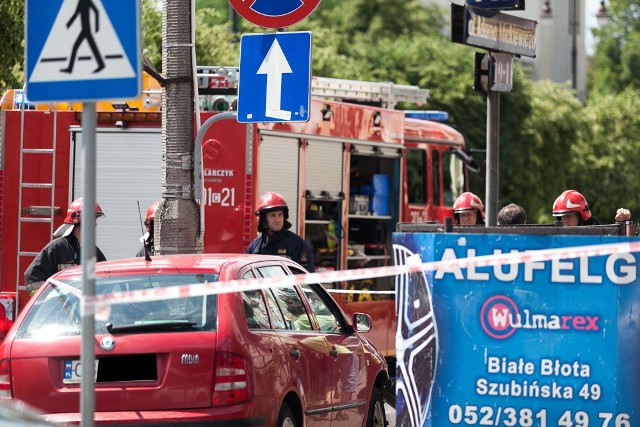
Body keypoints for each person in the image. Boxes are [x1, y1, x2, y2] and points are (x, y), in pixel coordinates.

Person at [24, 198, 107, 296]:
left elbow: (105, 279)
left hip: (84, 308)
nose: (95, 224)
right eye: (92, 219)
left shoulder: (93, 251)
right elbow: (32, 278)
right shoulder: (56, 248)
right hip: (60, 310)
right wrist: (50, 300)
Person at [247, 192, 315, 272]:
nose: (278, 219)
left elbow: (306, 277)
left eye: (280, 214)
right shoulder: (254, 247)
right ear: (263, 219)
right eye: (273, 215)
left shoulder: (297, 244)